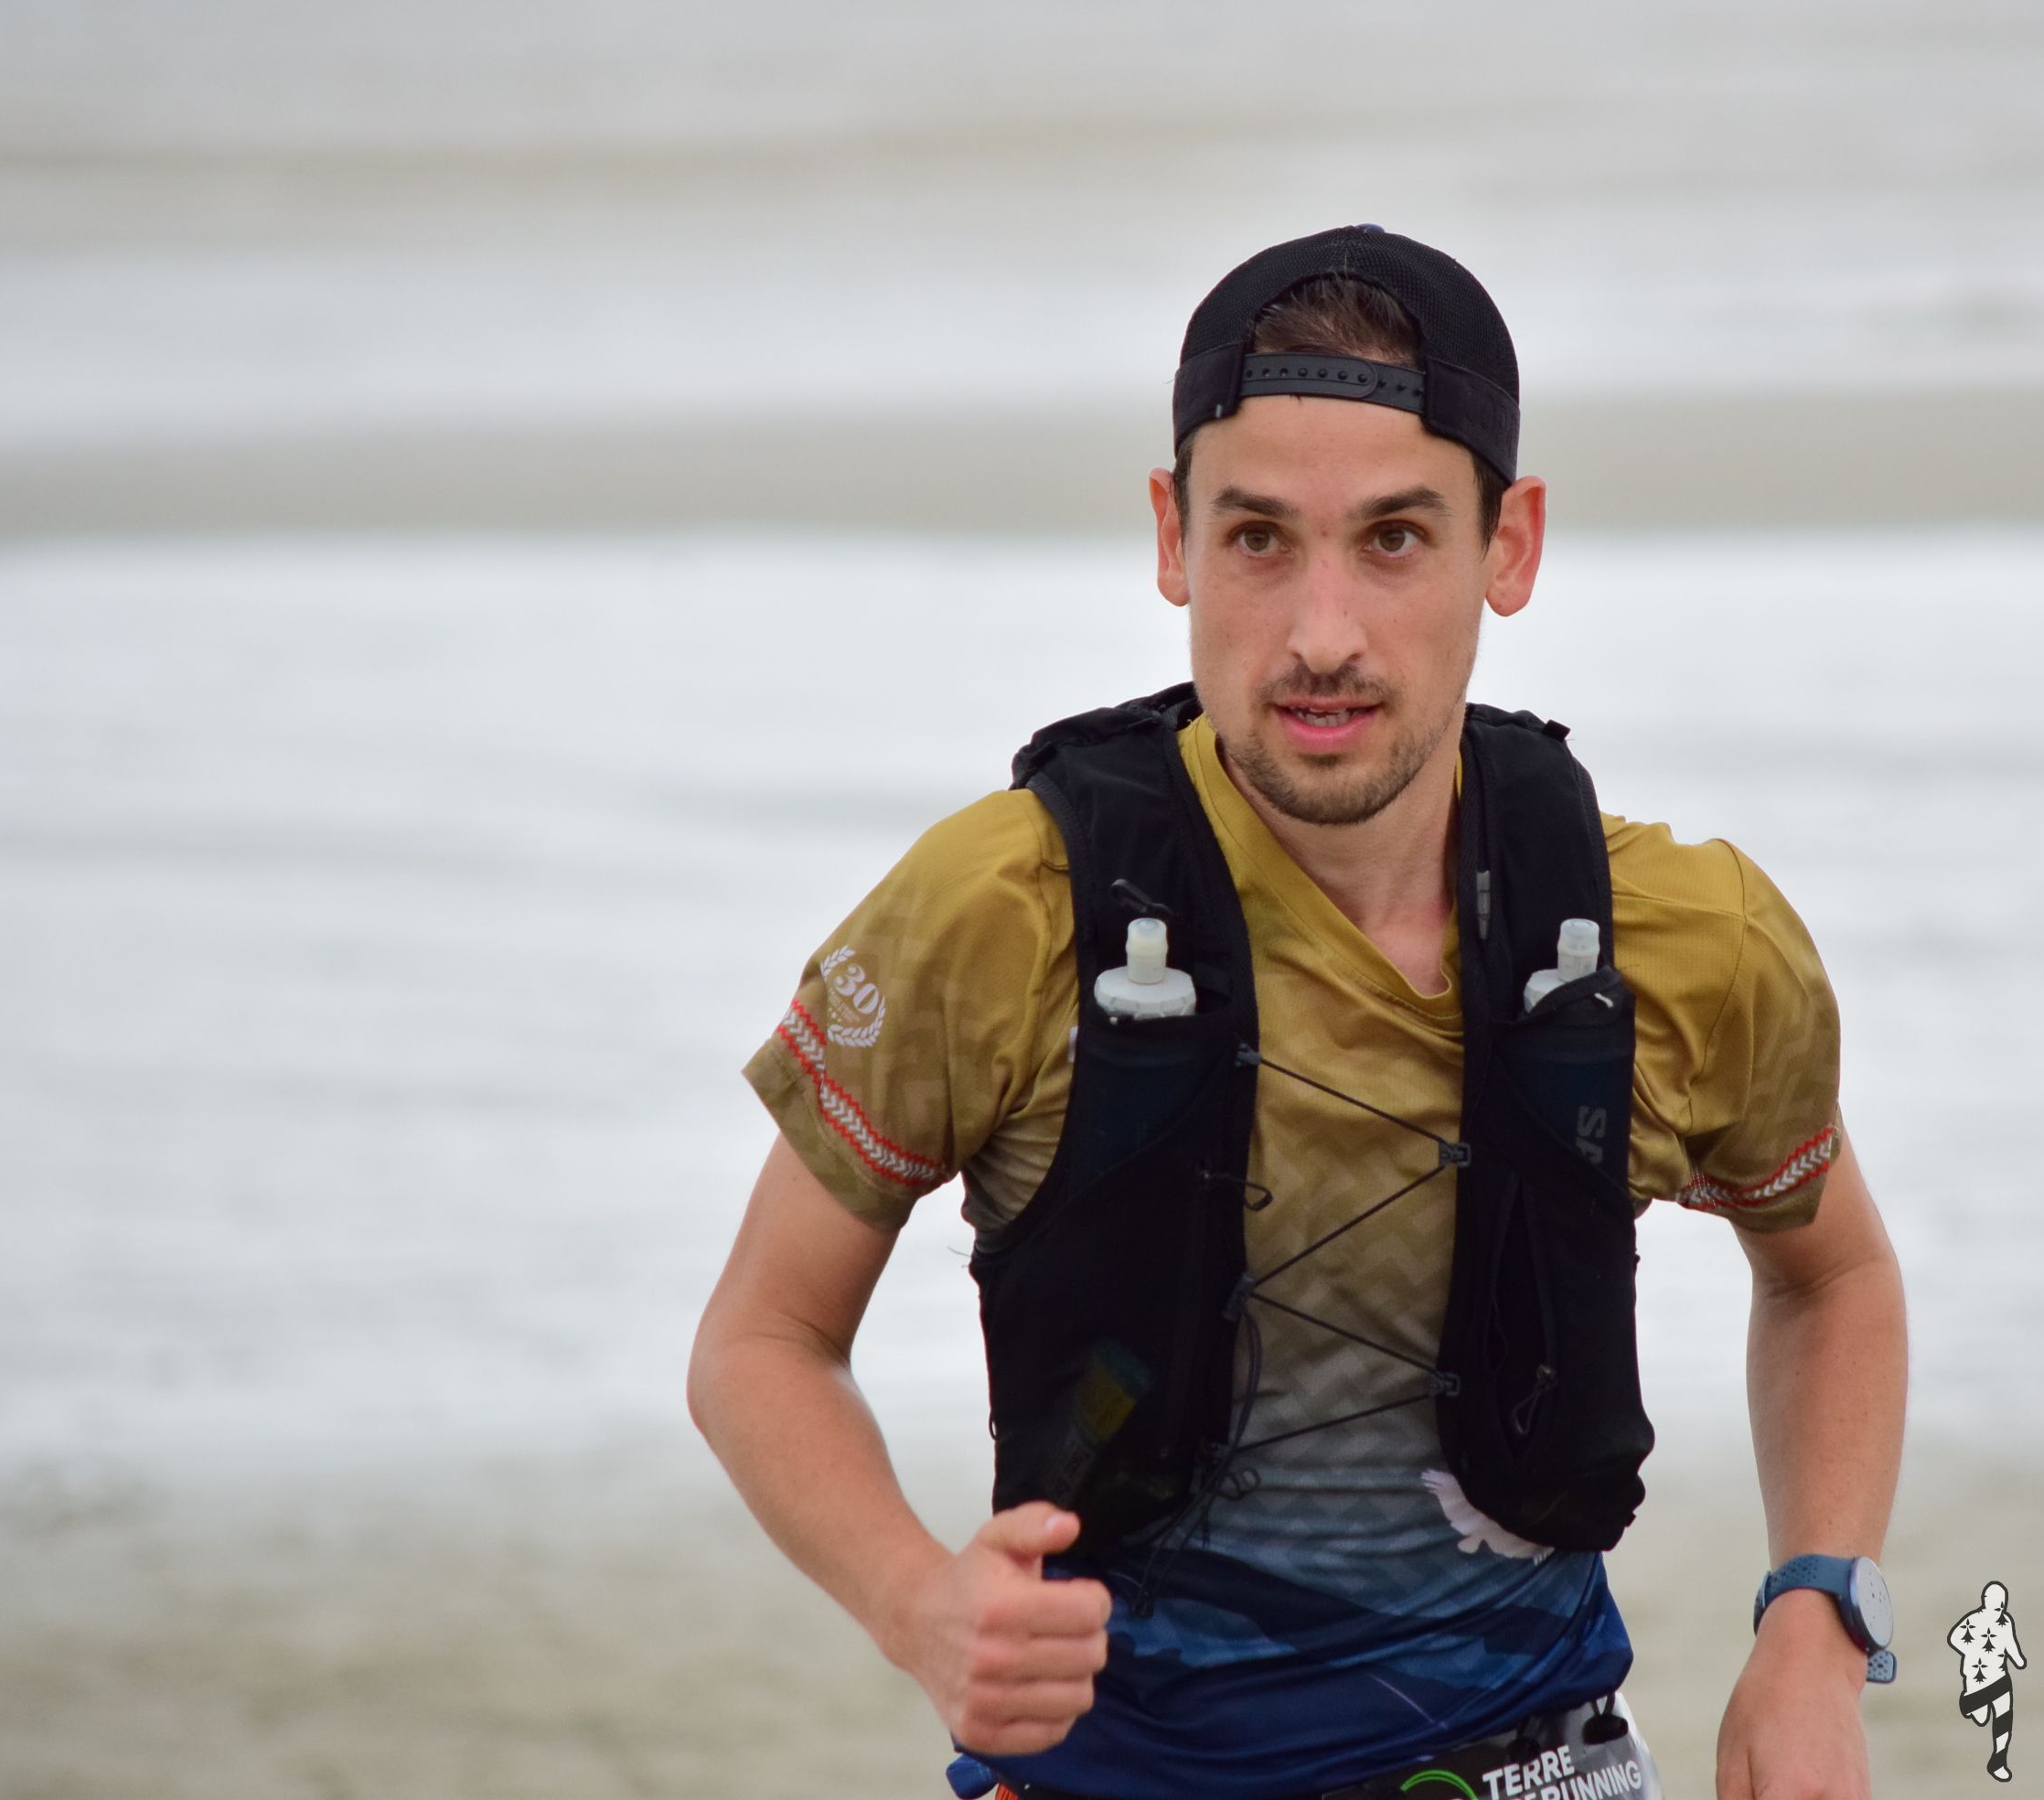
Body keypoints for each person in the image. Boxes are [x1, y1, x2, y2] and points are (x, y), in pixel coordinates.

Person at [688, 224, 1909, 1800]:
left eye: (1394, 539)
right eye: (1260, 538)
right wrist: (914, 1602)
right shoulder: (1002, 913)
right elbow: (763, 1338)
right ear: (1173, 536)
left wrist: (1816, 1623)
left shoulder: (1681, 941)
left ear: (1510, 545)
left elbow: (1833, 1275)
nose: (1322, 635)